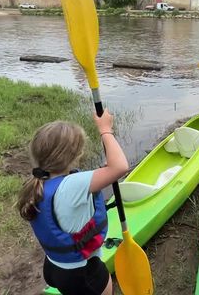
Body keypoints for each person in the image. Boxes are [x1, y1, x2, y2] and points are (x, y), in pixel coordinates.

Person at [16, 110, 129, 295]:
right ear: (77, 154)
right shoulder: (73, 186)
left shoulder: (39, 182)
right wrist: (105, 130)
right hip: (83, 273)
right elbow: (120, 167)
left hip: (54, 266)